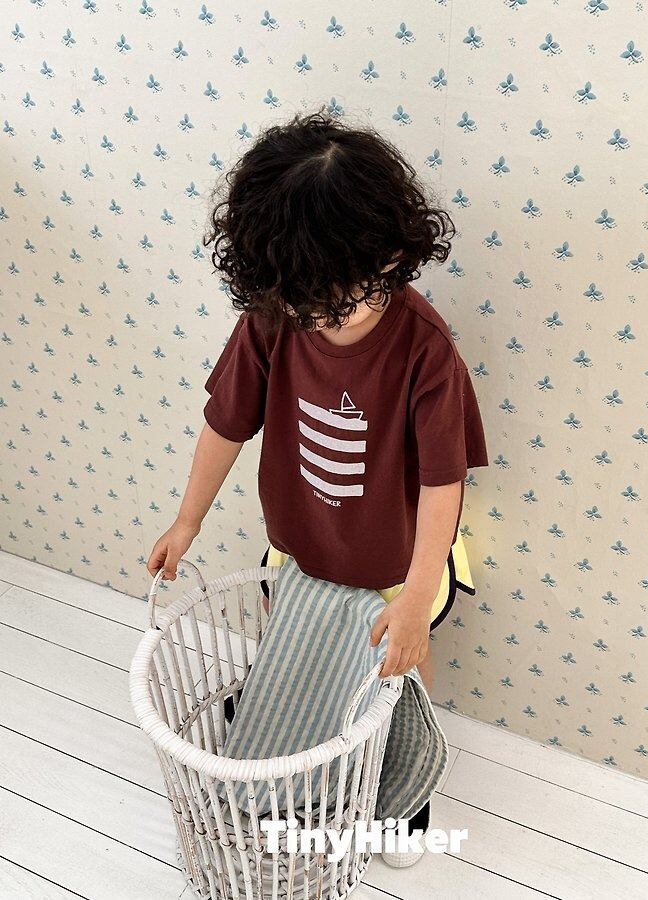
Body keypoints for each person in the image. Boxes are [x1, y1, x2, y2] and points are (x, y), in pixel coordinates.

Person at [147, 107, 489, 868]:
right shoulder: (274, 320)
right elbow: (225, 424)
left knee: (399, 674)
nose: (317, 319)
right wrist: (187, 521)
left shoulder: (425, 353)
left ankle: (403, 799)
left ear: (391, 255)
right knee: (293, 640)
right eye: (301, 302)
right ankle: (289, 733)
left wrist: (415, 601)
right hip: (299, 549)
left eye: (336, 298)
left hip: (398, 562)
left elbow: (444, 484)